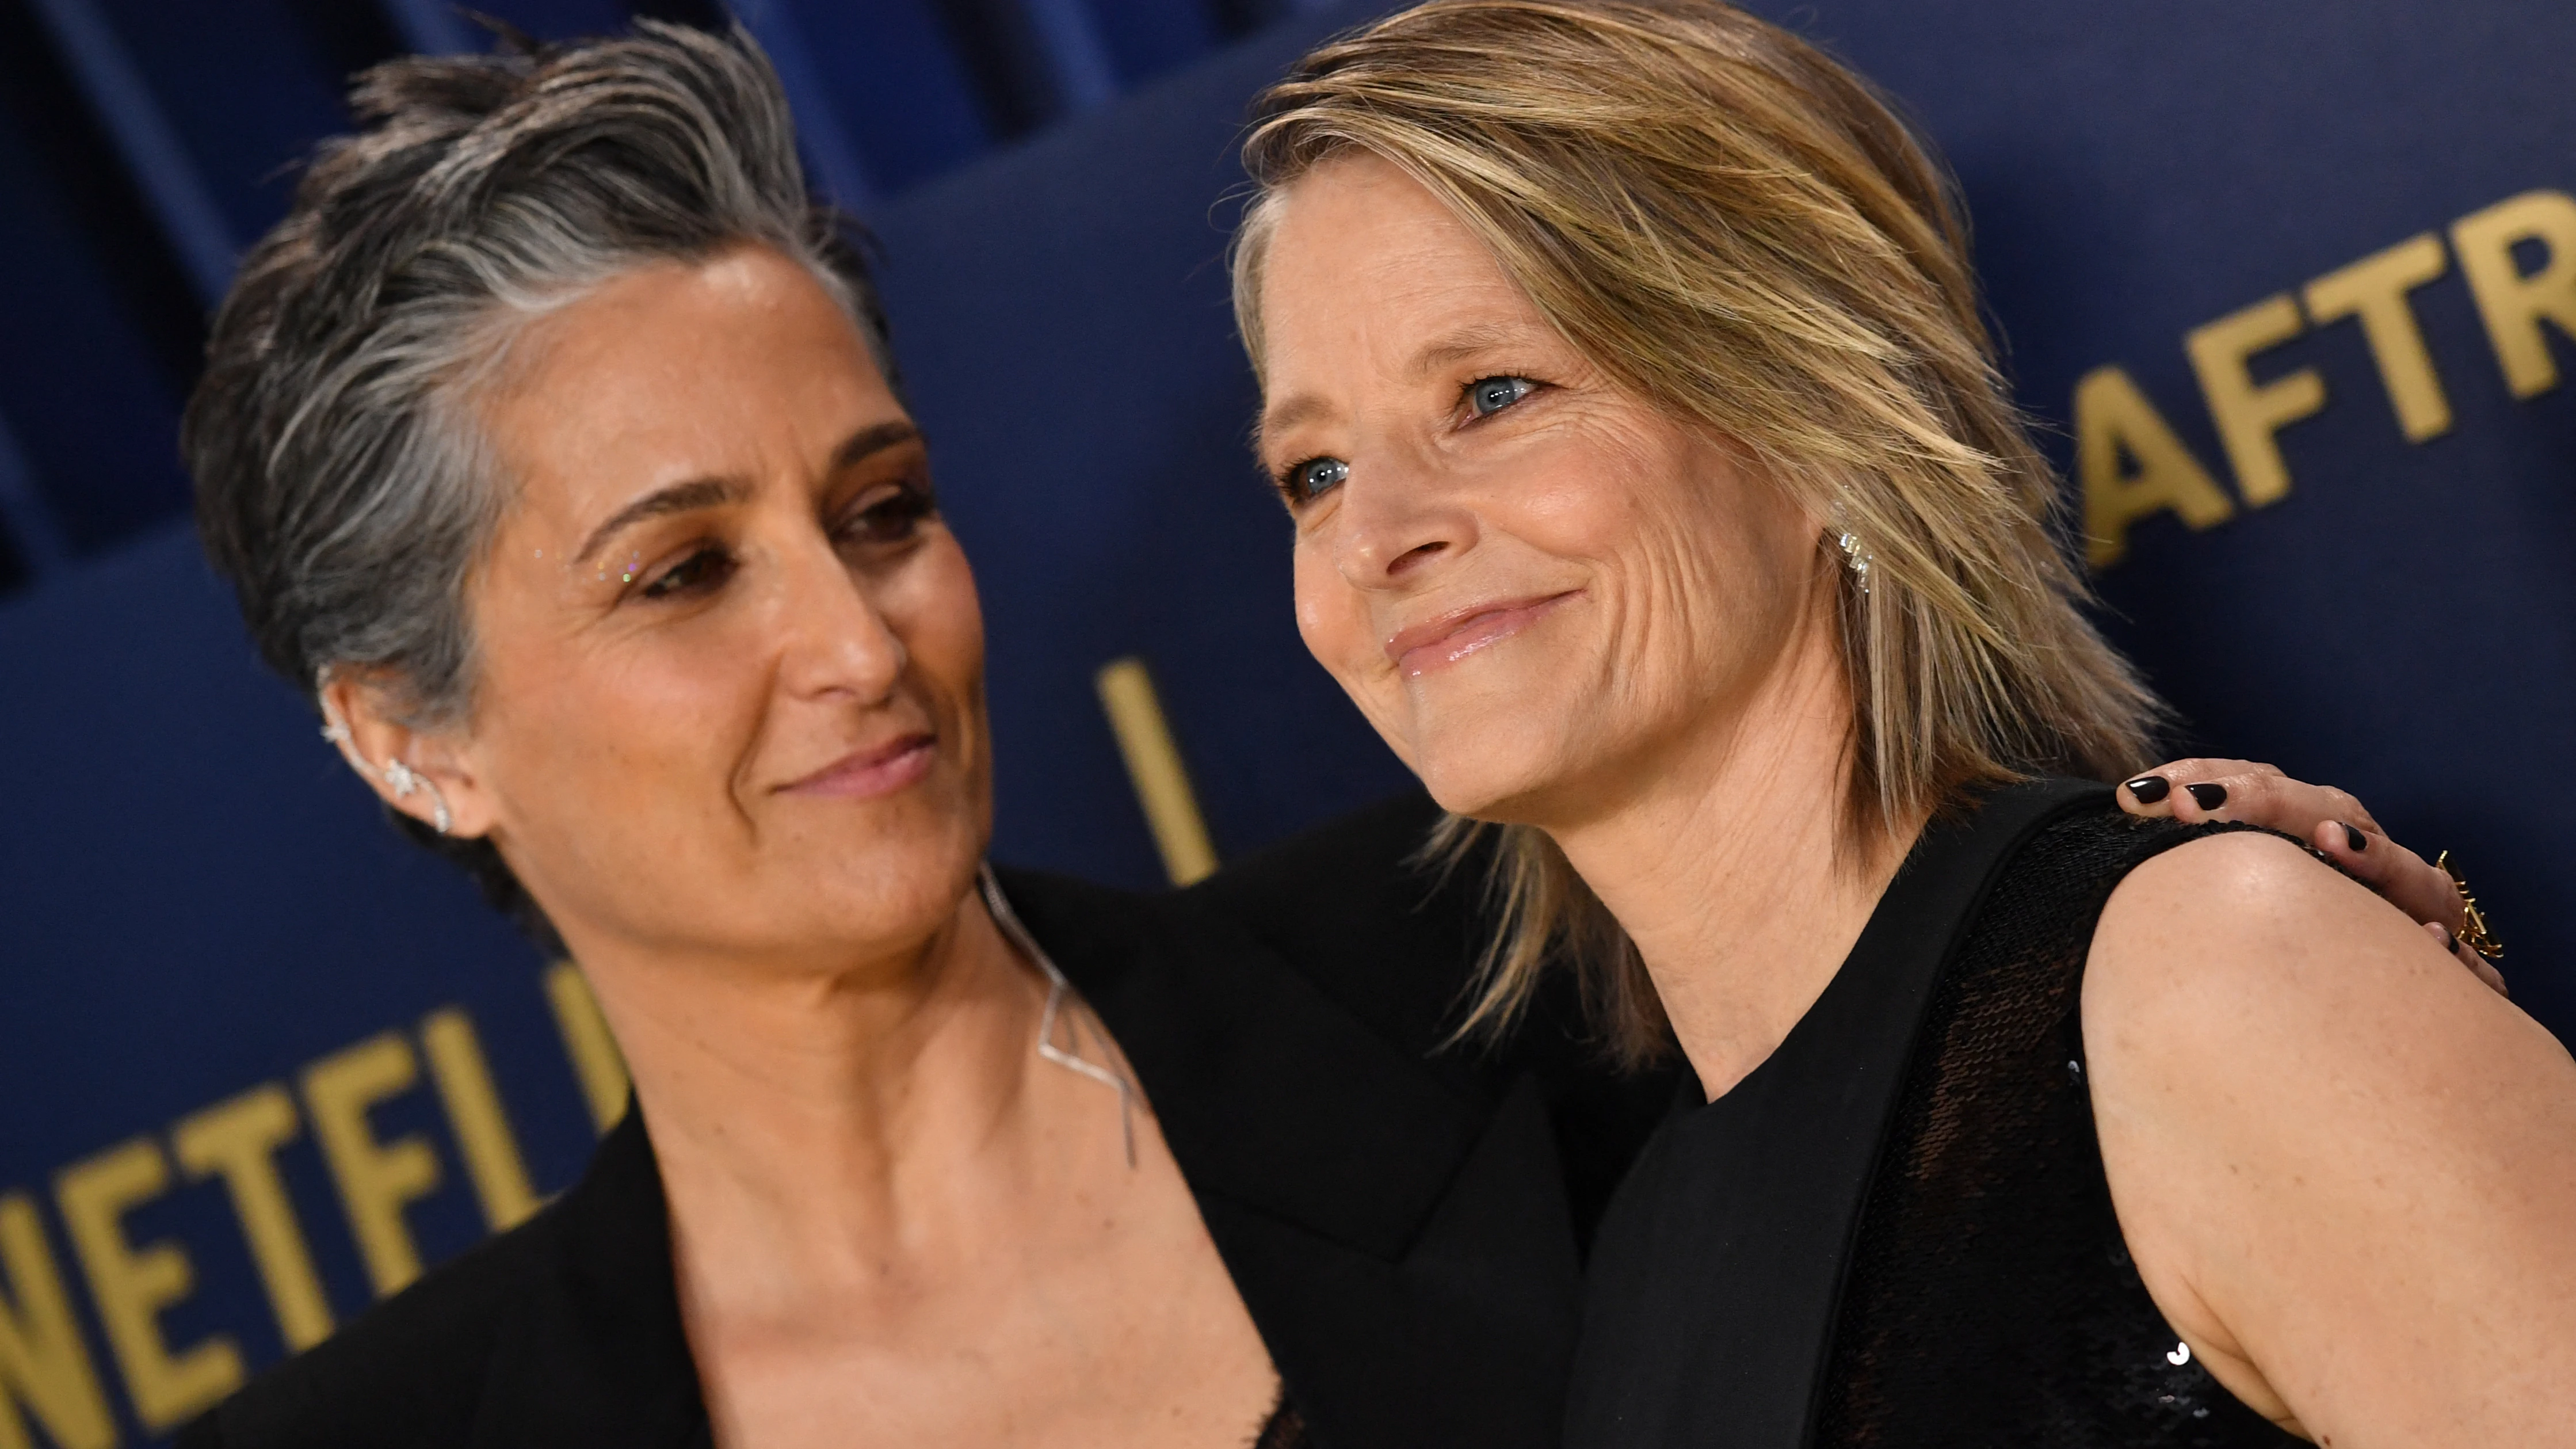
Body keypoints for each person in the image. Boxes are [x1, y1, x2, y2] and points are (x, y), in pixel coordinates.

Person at [172, 18, 2471, 1449]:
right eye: (686, 570)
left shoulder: (1550, 988)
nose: (857, 639)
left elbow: (2026, 1061)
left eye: (881, 511)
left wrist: (2176, 914)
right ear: (407, 736)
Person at [1235, 1, 2570, 1443]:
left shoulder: (2212, 975)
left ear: (1814, 417)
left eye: (1494, 394)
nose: (1373, 534)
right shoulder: (1640, 1250)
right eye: (1312, 471)